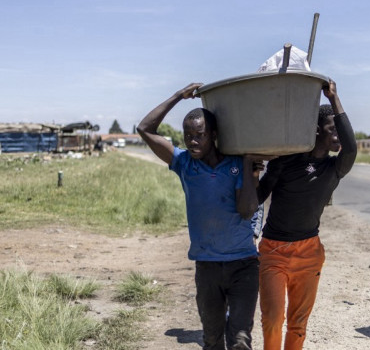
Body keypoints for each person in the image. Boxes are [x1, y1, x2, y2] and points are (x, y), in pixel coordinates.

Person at [137, 83, 262, 350]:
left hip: (243, 264)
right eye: (188, 134)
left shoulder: (237, 164)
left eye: (200, 135)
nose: (193, 141)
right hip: (207, 267)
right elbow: (144, 129)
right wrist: (177, 96)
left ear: (214, 135)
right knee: (212, 340)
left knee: (240, 339)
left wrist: (251, 169)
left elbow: (247, 210)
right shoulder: (184, 164)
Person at [256, 79, 357, 350]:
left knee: (299, 323)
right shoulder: (286, 162)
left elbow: (352, 147)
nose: (337, 136)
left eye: (339, 131)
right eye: (331, 130)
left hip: (309, 253)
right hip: (274, 251)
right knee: (273, 318)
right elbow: (257, 198)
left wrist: (334, 99)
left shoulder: (335, 168)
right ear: (315, 131)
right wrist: (253, 169)